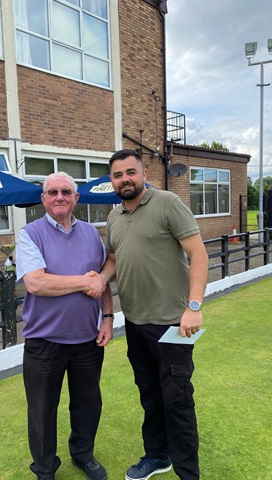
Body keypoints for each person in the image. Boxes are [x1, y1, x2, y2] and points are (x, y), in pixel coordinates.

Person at [87, 149, 208, 480]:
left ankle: (188, 473)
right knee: (150, 395)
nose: (124, 179)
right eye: (117, 175)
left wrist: (194, 306)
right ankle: (157, 456)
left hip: (172, 323)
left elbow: (198, 254)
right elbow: (114, 258)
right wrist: (100, 279)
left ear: (143, 173)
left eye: (130, 172)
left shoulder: (167, 203)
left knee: (177, 400)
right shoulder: (114, 217)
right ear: (111, 180)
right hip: (136, 323)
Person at [16, 172, 113, 480]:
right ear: (43, 199)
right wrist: (87, 282)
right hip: (44, 343)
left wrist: (108, 318)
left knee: (87, 404)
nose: (60, 196)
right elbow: (36, 282)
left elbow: (104, 283)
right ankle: (45, 468)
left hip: (87, 340)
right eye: (52, 192)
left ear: (76, 198)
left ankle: (83, 454)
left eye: (66, 191)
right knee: (42, 411)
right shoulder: (29, 234)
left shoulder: (91, 234)